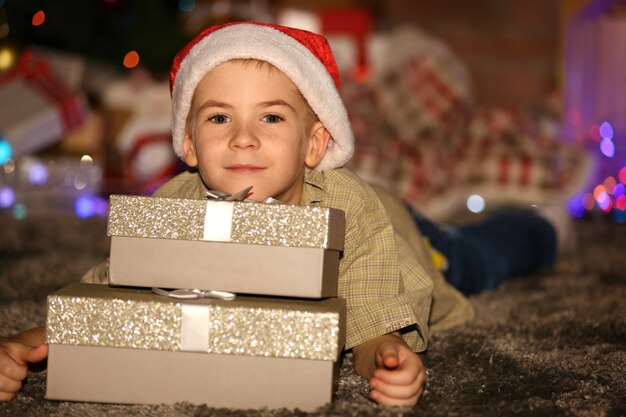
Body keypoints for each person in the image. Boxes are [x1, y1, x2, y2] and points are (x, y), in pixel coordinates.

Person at [0, 22, 558, 407]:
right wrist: (29, 340)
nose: (243, 139)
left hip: (405, 237)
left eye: (270, 118)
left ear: (314, 144)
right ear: (189, 145)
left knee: (478, 259)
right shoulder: (177, 203)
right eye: (219, 119)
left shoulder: (350, 209)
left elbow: (374, 313)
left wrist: (383, 357)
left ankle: (543, 224)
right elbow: (115, 288)